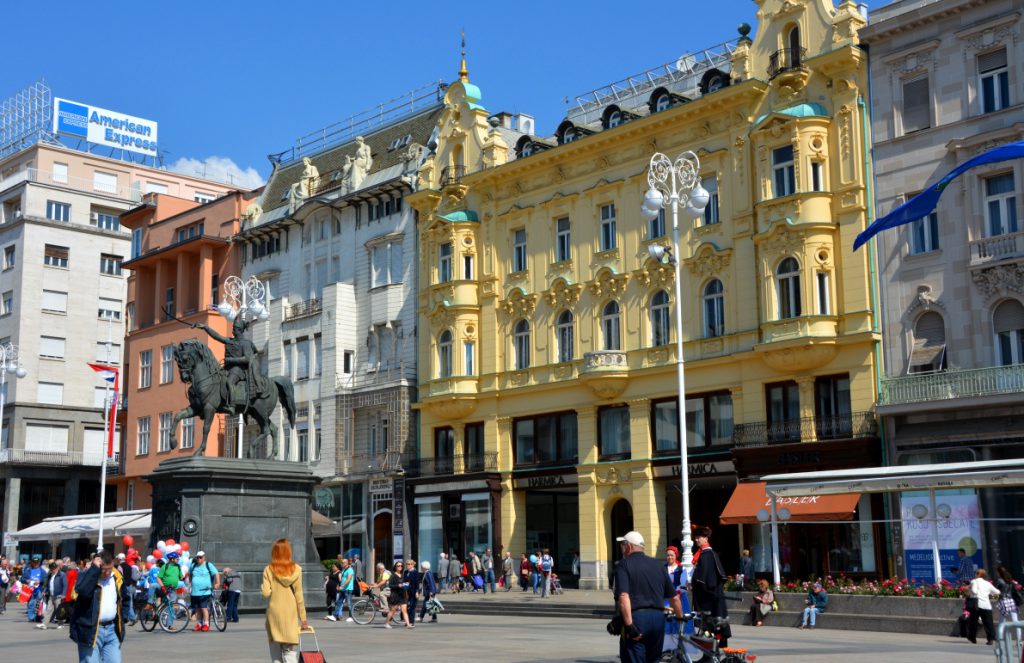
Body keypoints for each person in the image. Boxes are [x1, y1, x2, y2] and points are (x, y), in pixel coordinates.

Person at [613, 531, 684, 663]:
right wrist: (680, 617)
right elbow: (674, 597)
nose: (621, 548)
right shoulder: (658, 565)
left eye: (622, 545)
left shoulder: (623, 565)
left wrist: (629, 625)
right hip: (658, 620)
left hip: (637, 619)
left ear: (628, 546)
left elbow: (623, 596)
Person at [70, 550, 128, 663]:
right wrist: (94, 571)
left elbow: (125, 598)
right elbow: (83, 593)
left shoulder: (116, 577)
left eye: (109, 569)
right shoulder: (86, 575)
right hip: (91, 631)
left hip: (112, 630)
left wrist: (124, 617)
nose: (106, 573)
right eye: (103, 570)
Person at [261, 539, 309, 663]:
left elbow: (266, 593)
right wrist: (303, 619)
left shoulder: (268, 569)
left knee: (275, 652)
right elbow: (299, 595)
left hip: (274, 613)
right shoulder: (297, 569)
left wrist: (265, 587)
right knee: (289, 650)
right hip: (290, 614)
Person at [690, 526, 730, 646]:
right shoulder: (708, 553)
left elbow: (704, 580)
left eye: (699, 537)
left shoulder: (706, 554)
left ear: (706, 538)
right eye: (695, 537)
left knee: (710, 630)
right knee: (711, 632)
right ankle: (709, 656)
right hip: (714, 599)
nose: (696, 540)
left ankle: (709, 657)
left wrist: (694, 584)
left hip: (709, 601)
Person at [967, 568, 1000, 645]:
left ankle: (972, 638)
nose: (975, 574)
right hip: (986, 605)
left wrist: (969, 588)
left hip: (976, 605)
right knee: (988, 623)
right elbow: (997, 592)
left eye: (976, 573)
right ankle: (991, 639)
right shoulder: (988, 583)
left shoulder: (974, 581)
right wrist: (989, 593)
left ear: (977, 574)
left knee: (973, 622)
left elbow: (974, 591)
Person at [189, 551, 220, 632]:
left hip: (205, 591)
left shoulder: (208, 565)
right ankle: (199, 624)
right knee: (197, 608)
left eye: (200, 557)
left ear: (204, 557)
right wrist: (190, 583)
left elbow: (216, 573)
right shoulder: (193, 565)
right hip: (195, 591)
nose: (198, 559)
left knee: (203, 608)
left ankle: (206, 624)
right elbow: (190, 574)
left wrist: (218, 583)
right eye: (197, 557)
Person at [384, 561, 412, 629]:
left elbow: (406, 582)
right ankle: (386, 623)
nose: (400, 567)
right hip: (395, 595)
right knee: (393, 610)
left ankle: (408, 624)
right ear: (395, 567)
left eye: (401, 566)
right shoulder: (393, 576)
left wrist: (407, 584)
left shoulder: (403, 575)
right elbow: (390, 585)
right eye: (398, 566)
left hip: (402, 595)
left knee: (404, 610)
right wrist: (397, 585)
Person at [39, 560, 67, 629]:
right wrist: (45, 591)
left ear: (57, 568)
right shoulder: (50, 575)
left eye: (54, 569)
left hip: (59, 595)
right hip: (51, 595)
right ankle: (45, 624)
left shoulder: (62, 574)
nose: (52, 570)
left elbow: (65, 585)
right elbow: (48, 584)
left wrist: (63, 594)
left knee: (59, 610)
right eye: (51, 569)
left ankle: (60, 624)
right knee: (49, 610)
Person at [22, 555, 46, 623]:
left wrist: (40, 581)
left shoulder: (42, 571)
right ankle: (31, 617)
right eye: (34, 562)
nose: (35, 564)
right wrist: (26, 580)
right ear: (32, 562)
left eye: (37, 562)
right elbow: (22, 579)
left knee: (38, 604)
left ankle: (38, 617)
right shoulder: (28, 570)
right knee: (31, 603)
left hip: (39, 589)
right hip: (30, 590)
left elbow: (46, 580)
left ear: (39, 563)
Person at [404, 558, 420, 624]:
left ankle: (411, 621)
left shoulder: (415, 572)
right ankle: (407, 621)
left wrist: (417, 592)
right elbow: (404, 580)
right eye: (408, 564)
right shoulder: (406, 572)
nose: (409, 565)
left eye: (410, 564)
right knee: (407, 607)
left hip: (413, 592)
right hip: (407, 592)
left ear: (413, 565)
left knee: (412, 607)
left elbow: (417, 583)